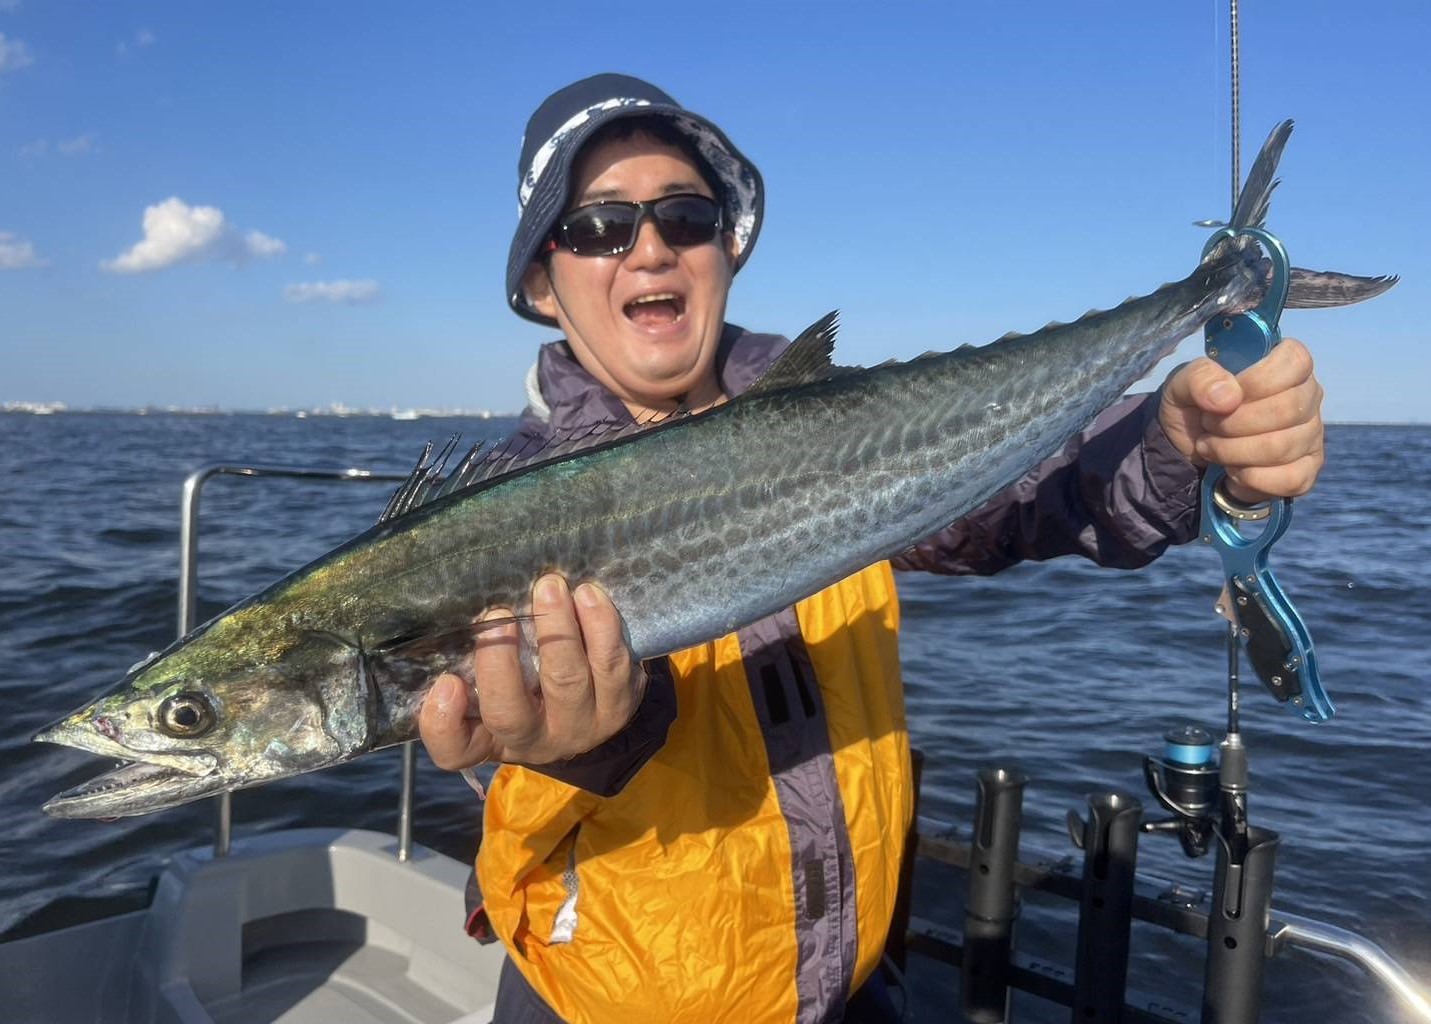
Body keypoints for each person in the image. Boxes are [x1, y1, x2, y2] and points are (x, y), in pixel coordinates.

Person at [417, 74, 1325, 1024]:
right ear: (538, 279)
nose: (648, 246)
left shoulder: (834, 426)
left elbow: (1023, 498)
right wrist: (581, 749)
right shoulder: (485, 517)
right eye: (599, 226)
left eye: (684, 215)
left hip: (851, 987)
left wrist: (1179, 448)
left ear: (726, 246)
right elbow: (497, 772)